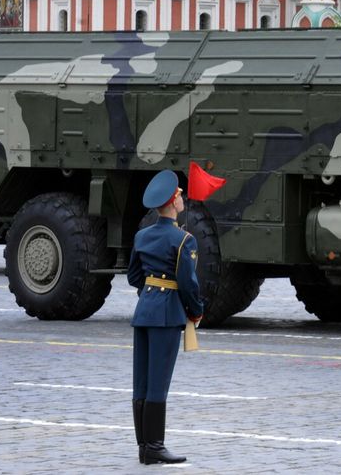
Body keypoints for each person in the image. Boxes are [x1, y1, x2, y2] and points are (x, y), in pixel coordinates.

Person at [128, 170, 203, 465]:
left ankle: (143, 446)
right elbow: (188, 283)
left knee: (142, 383)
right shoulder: (184, 240)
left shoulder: (142, 235)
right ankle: (155, 446)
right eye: (180, 194)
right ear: (173, 201)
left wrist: (151, 293)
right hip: (167, 314)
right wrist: (196, 311)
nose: (182, 196)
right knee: (158, 382)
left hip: (144, 311)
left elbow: (135, 276)